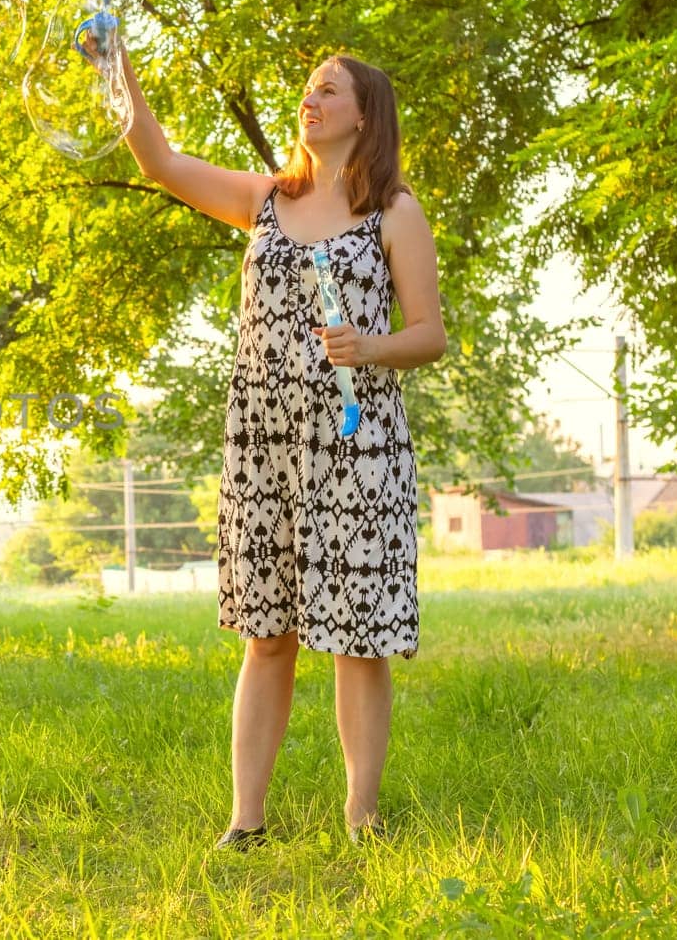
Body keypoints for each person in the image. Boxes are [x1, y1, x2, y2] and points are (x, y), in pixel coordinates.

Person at [115, 47, 446, 846]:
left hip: (354, 451)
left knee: (356, 639)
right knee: (269, 635)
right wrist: (114, 63)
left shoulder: (393, 210)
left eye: (330, 89)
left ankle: (362, 816)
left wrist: (369, 347)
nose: (312, 98)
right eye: (307, 88)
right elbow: (158, 159)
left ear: (365, 114)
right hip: (264, 444)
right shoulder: (264, 199)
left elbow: (431, 334)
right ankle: (246, 821)